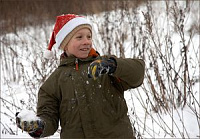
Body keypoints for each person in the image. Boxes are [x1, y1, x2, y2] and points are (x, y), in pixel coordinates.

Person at [16, 14, 145, 139]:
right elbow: (49, 117)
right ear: (64, 44)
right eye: (79, 37)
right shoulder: (54, 82)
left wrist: (114, 65)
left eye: (89, 37)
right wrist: (38, 127)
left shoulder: (103, 66)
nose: (86, 42)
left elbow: (137, 74)